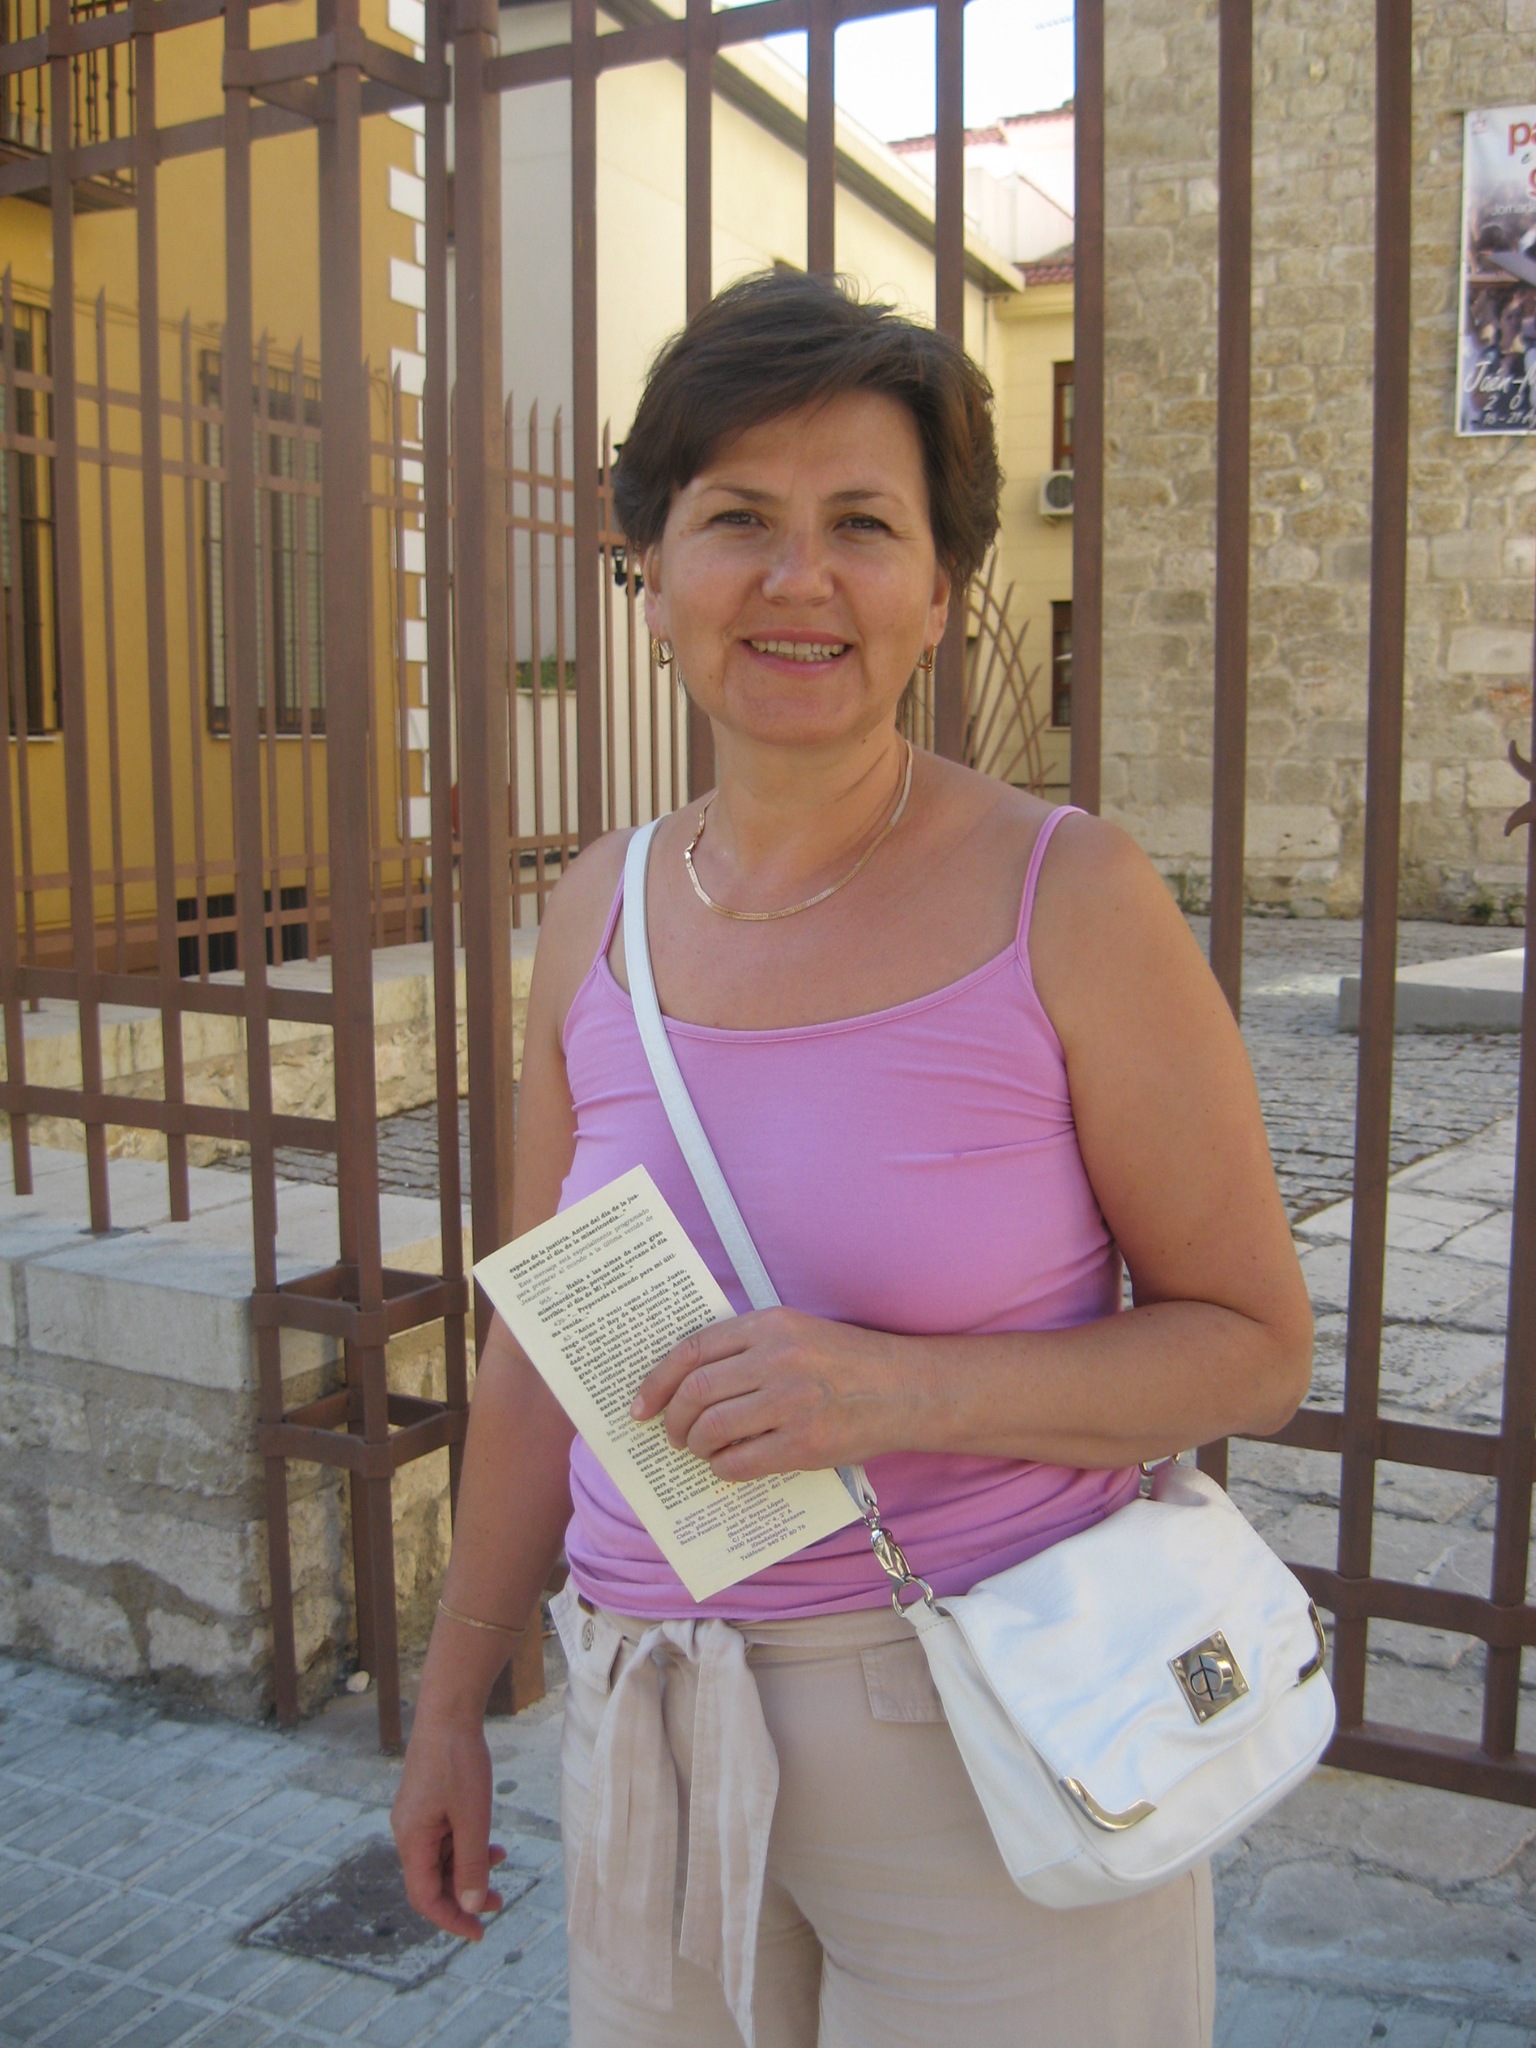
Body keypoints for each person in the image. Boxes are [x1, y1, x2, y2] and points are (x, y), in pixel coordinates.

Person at [392, 269, 1313, 2048]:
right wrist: (449, 1700)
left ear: (941, 591)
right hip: (650, 1722)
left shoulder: (1070, 896)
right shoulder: (596, 909)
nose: (798, 578)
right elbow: (540, 1345)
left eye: (863, 527)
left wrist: (891, 1390)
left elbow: (1254, 1349)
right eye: (738, 517)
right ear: (651, 567)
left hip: (985, 1739)